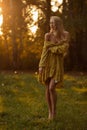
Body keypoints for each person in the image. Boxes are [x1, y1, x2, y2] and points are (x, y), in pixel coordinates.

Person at [38, 16, 70, 120]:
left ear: (59, 24)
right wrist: (41, 65)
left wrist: (52, 48)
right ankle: (50, 112)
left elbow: (63, 49)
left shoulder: (65, 35)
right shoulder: (47, 35)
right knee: (47, 88)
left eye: (55, 23)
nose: (52, 25)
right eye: (51, 23)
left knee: (52, 88)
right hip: (47, 64)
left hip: (57, 65)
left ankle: (54, 111)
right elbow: (45, 51)